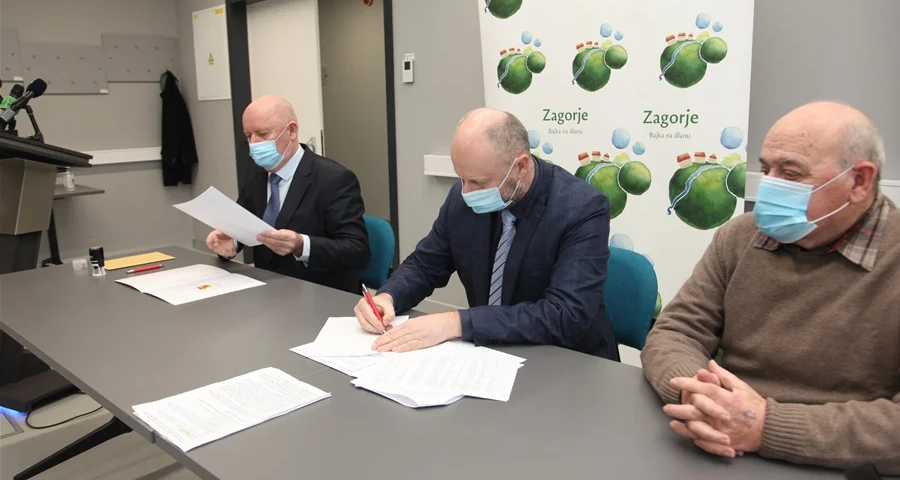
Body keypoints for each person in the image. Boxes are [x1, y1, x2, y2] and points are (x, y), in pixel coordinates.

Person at [641, 102, 900, 474]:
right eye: (765, 170)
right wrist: (698, 394)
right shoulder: (740, 236)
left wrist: (765, 426)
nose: (769, 187)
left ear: (859, 181)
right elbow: (676, 331)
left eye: (790, 173)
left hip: (834, 465)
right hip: (713, 443)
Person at [354, 108, 619, 360]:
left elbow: (565, 314)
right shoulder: (463, 198)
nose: (466, 192)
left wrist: (455, 322)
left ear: (520, 167)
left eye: (478, 182)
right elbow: (425, 264)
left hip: (567, 361)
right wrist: (388, 297)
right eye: (462, 178)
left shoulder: (581, 208)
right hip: (489, 355)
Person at [206, 95, 369, 293]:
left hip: (320, 292)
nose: (254, 143)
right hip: (267, 289)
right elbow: (245, 222)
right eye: (248, 136)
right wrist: (230, 242)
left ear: (291, 131)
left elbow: (357, 251)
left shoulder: (334, 178)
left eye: (263, 134)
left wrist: (302, 245)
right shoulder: (257, 173)